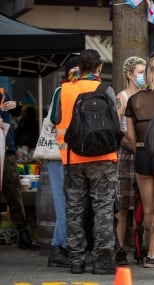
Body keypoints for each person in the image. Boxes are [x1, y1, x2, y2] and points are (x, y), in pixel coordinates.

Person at [56, 49, 118, 275]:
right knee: (102, 208)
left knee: (74, 209)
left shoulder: (64, 90)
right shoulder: (106, 89)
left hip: (72, 158)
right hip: (103, 157)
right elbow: (115, 122)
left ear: (79, 68)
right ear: (99, 68)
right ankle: (102, 260)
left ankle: (76, 260)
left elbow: (56, 120)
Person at [125, 55, 154, 268]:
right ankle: (153, 255)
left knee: (148, 209)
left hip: (142, 155)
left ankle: (153, 250)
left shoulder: (133, 100)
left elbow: (131, 138)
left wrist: (139, 150)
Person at [46, 56, 80, 267]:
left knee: (70, 202)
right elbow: (54, 119)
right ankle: (58, 247)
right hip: (59, 155)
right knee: (63, 203)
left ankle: (61, 247)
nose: (77, 74)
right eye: (73, 70)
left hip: (70, 155)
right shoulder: (62, 91)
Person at [114, 56, 146, 265]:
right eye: (140, 72)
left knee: (144, 205)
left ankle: (141, 248)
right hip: (126, 155)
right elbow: (116, 129)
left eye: (144, 72)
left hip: (144, 154)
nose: (142, 76)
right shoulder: (122, 98)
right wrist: (130, 144)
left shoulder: (146, 96)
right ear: (129, 74)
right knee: (123, 206)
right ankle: (119, 249)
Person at [0, 88, 40, 250]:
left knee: (14, 192)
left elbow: (16, 111)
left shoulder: (2, 92)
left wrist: (16, 104)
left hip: (6, 150)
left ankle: (23, 234)